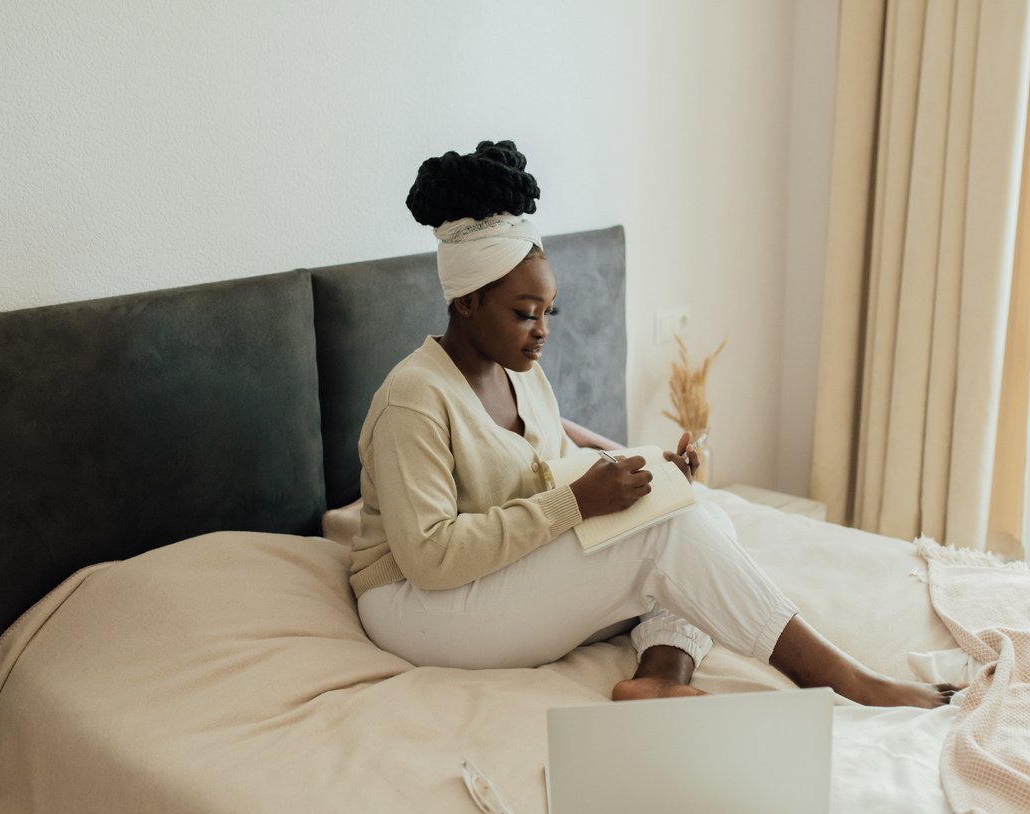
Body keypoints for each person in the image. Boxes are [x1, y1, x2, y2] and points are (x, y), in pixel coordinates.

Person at [350, 139, 953, 707]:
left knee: (701, 515)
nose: (544, 332)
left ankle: (662, 676)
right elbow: (430, 556)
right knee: (669, 539)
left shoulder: (520, 372)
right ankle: (844, 680)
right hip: (416, 606)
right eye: (525, 314)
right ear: (466, 302)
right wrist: (576, 505)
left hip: (485, 578)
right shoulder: (415, 399)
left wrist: (648, 471)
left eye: (548, 312)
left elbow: (553, 453)